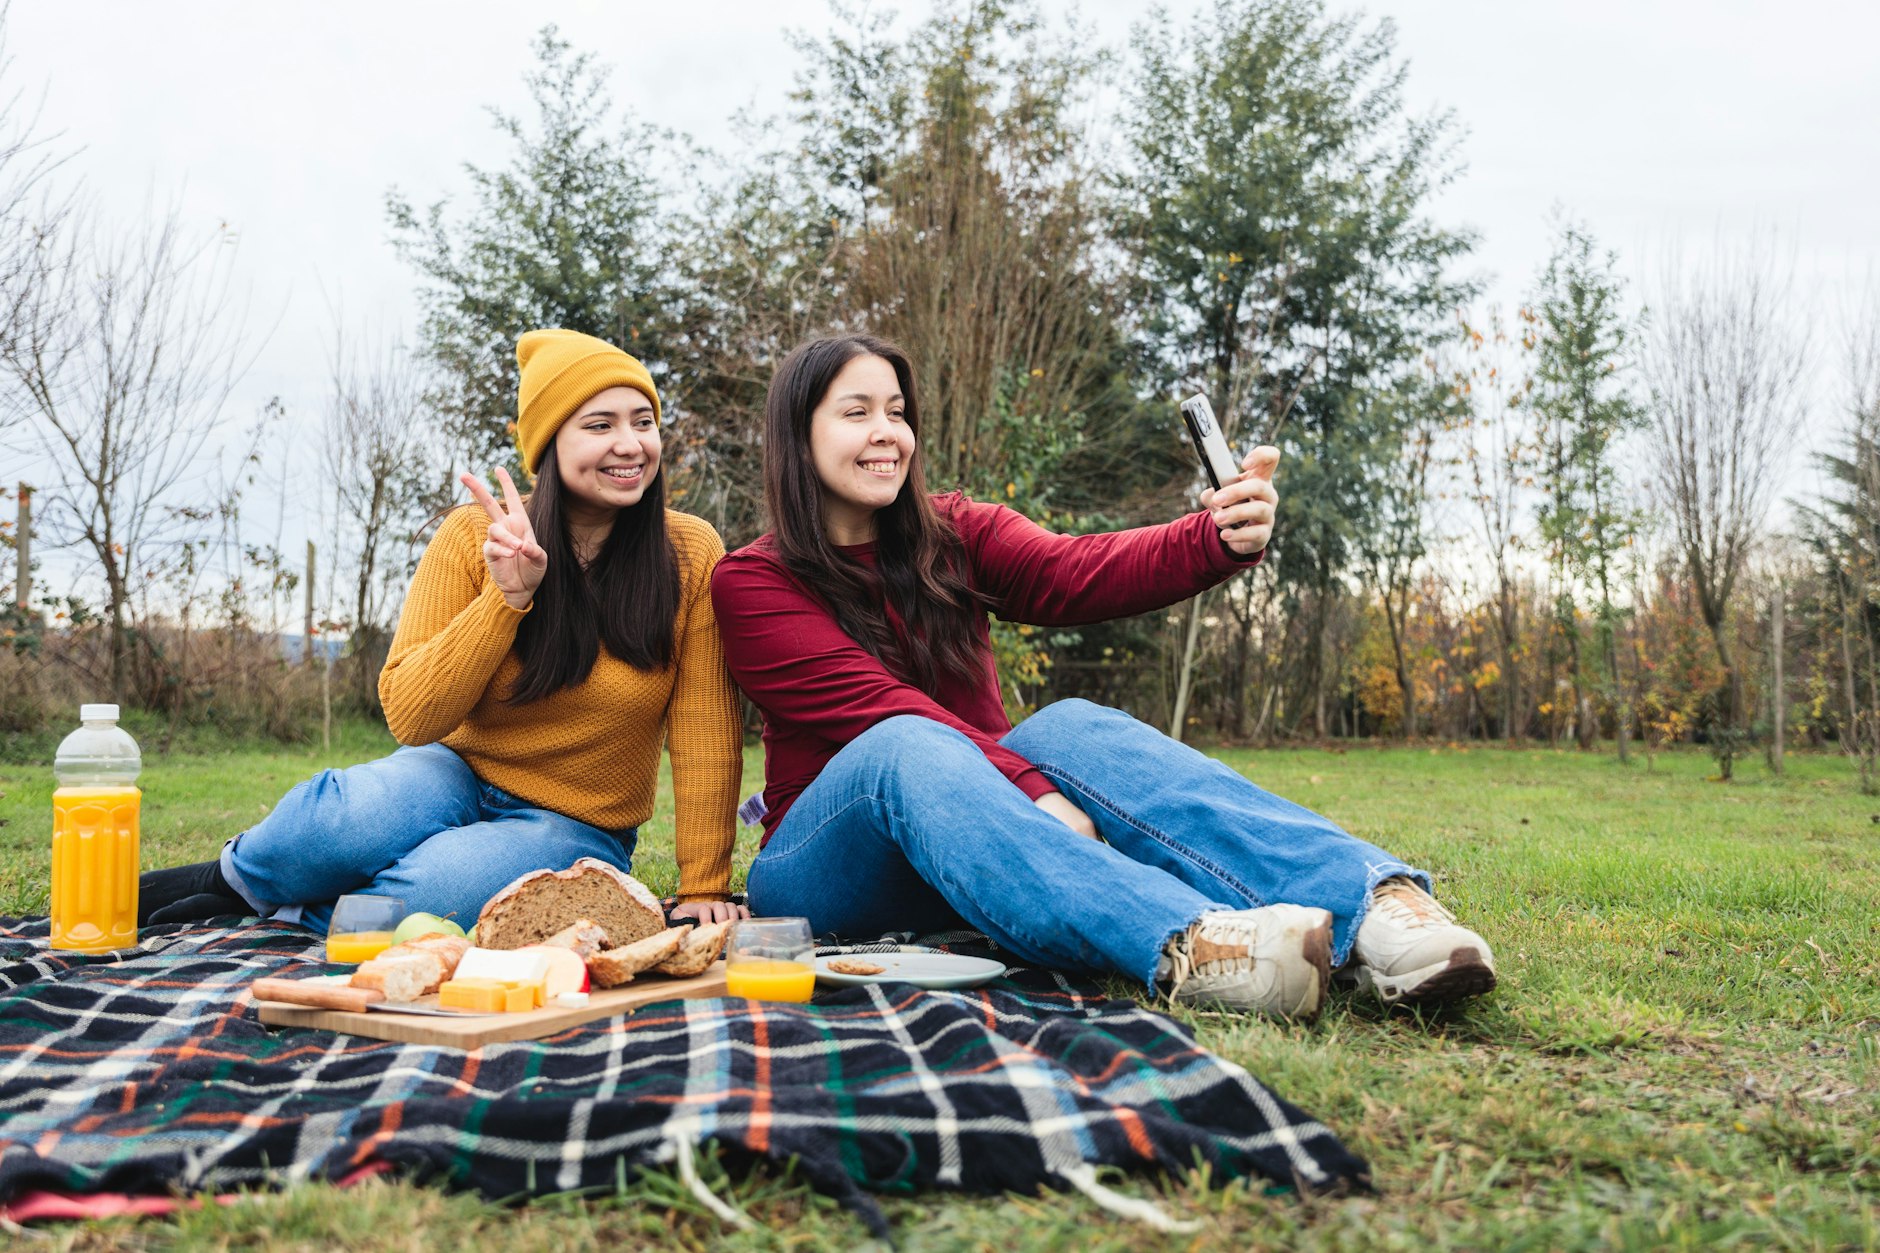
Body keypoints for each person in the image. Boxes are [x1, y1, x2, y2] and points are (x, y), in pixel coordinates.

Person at [709, 333, 1496, 1019]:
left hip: (980, 844)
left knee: (1068, 724)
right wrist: (1032, 788)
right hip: (830, 871)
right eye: (857, 413)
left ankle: (1380, 907)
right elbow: (881, 708)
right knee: (906, 742)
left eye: (897, 411)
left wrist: (1214, 539)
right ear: (798, 436)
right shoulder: (754, 582)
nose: (887, 433)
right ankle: (1197, 945)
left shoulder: (954, 532)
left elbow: (1078, 569)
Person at [139, 330, 749, 933]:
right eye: (599, 425)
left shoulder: (690, 552)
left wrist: (703, 884)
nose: (630, 444)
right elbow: (412, 717)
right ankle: (231, 881)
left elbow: (705, 727)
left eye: (643, 422)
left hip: (577, 823)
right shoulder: (470, 538)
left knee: (434, 892)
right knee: (332, 823)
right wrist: (507, 600)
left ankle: (297, 911)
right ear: (548, 444)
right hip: (452, 773)